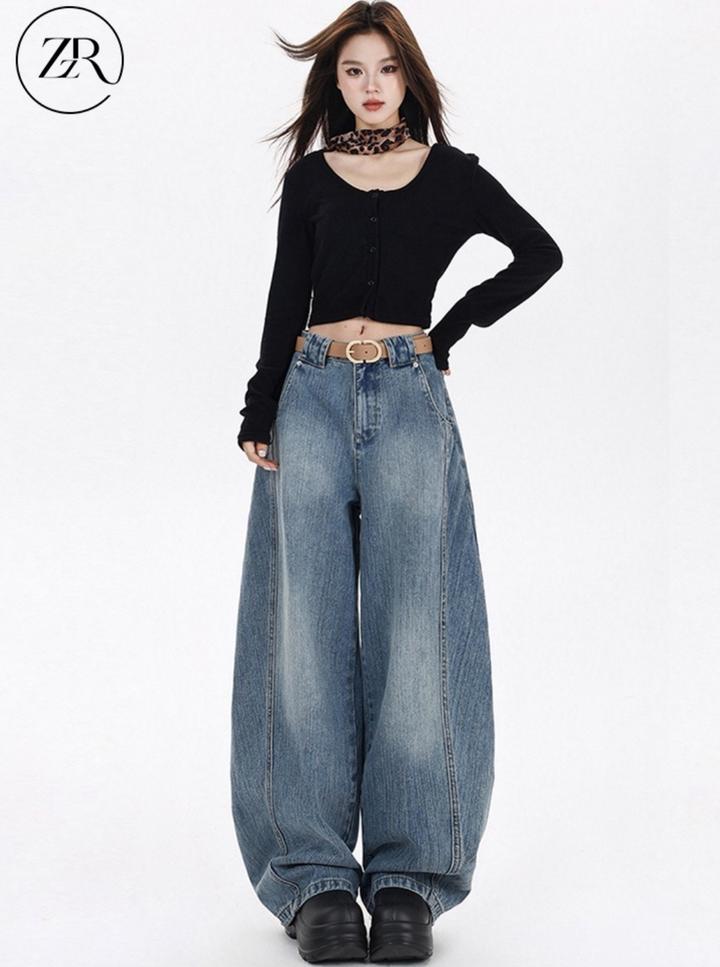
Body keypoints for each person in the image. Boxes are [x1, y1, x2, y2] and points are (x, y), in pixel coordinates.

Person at [230, 5, 563, 962]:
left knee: (420, 627)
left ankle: (412, 879)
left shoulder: (452, 177)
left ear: (409, 76)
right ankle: (315, 877)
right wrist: (260, 405)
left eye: (384, 68)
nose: (369, 85)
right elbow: (286, 295)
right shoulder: (310, 180)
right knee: (303, 630)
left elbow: (539, 254)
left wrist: (452, 327)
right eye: (352, 71)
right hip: (310, 398)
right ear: (333, 84)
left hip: (413, 401)